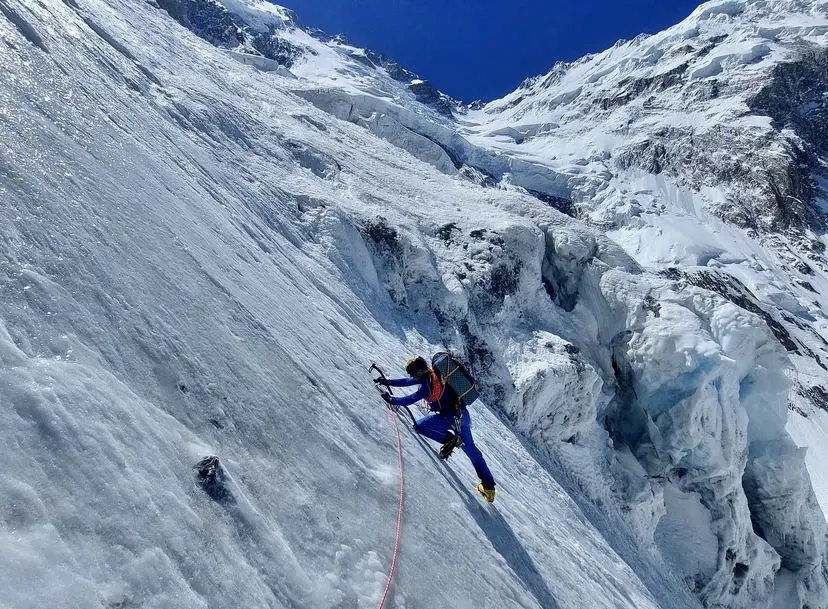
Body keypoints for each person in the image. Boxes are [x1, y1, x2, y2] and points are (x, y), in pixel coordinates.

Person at [376, 355, 497, 502]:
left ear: (418, 372)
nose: (411, 376)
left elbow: (410, 399)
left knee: (421, 426)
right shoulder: (433, 373)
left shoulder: (426, 385)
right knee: (472, 451)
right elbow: (408, 381)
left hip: (449, 418)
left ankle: (450, 439)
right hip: (462, 416)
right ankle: (489, 488)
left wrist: (391, 399)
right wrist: (387, 382)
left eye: (412, 373)